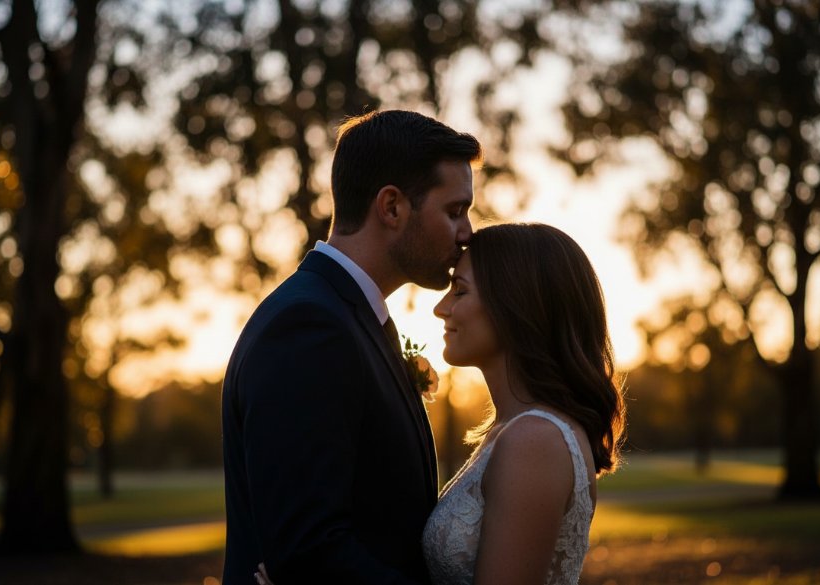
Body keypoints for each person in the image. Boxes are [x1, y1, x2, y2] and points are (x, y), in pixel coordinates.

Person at [221, 110, 482, 584]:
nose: (467, 233)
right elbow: (309, 551)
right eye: (454, 211)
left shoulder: (349, 317)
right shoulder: (309, 327)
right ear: (392, 207)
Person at [422, 223, 627, 584]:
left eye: (460, 291)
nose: (441, 308)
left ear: (514, 305)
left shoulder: (534, 440)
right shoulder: (515, 431)